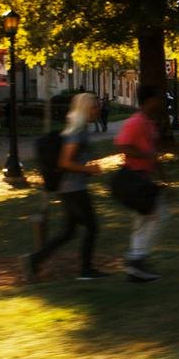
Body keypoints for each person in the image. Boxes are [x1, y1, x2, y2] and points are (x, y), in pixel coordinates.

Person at [21, 93, 107, 281]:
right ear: (85, 109)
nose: (98, 110)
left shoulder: (79, 129)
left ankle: (35, 260)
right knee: (92, 227)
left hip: (70, 187)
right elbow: (64, 162)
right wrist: (88, 168)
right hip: (73, 188)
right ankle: (86, 270)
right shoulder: (77, 132)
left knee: (69, 231)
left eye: (98, 106)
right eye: (94, 107)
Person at [113, 85, 167, 282]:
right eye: (156, 99)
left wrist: (163, 177)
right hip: (135, 180)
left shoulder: (149, 123)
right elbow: (122, 144)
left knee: (143, 221)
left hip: (146, 179)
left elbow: (154, 154)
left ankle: (136, 263)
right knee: (156, 216)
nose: (159, 102)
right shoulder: (135, 122)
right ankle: (136, 260)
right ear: (147, 101)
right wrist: (145, 155)